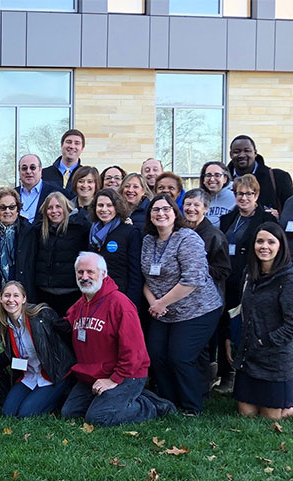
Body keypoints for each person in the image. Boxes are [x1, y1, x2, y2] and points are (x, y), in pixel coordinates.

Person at [61, 252, 174, 426]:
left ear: (103, 274)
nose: (84, 277)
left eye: (90, 272)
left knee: (98, 418)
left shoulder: (120, 304)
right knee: (69, 412)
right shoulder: (82, 302)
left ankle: (151, 405)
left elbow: (135, 352)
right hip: (92, 374)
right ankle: (122, 398)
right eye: (80, 272)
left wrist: (114, 379)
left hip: (127, 374)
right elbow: (65, 323)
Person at [140, 194, 223, 416]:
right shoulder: (148, 240)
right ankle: (169, 401)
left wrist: (161, 303)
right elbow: (146, 278)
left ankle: (191, 405)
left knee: (180, 356)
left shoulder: (188, 238)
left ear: (175, 213)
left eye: (166, 209)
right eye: (155, 210)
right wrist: (155, 304)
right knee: (156, 354)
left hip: (198, 309)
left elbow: (193, 280)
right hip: (163, 310)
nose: (161, 213)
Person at [215, 174, 275, 394]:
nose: (243, 198)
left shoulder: (265, 219)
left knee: (246, 325)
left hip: (251, 278)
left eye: (248, 193)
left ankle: (247, 375)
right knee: (225, 326)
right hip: (227, 280)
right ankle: (225, 375)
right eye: (239, 193)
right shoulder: (228, 218)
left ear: (256, 195)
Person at [233, 222, 293, 419]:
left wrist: (265, 340)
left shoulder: (288, 279)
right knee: (246, 413)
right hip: (249, 355)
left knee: (271, 416)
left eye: (271, 242)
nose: (264, 246)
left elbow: (291, 325)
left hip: (275, 357)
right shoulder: (249, 274)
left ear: (280, 246)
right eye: (259, 241)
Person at [0, 280, 74, 417]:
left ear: (24, 299)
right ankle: (38, 397)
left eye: (16, 295)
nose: (11, 300)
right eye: (7, 295)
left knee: (25, 414)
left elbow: (67, 333)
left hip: (53, 375)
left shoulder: (41, 316)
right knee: (8, 412)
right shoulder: (5, 325)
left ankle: (60, 395)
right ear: (1, 299)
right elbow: (9, 355)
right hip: (29, 375)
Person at [35, 191, 88, 315]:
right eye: (50, 208)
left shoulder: (80, 228)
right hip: (44, 292)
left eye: (58, 206)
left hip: (71, 292)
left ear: (66, 207)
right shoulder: (38, 230)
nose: (54, 211)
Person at [0, 187, 36, 301]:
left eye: (11, 207)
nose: (7, 211)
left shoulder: (30, 232)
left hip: (20, 297)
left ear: (18, 209)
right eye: (2, 207)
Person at [87, 188, 142, 304]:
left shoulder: (130, 232)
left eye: (109, 205)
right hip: (95, 295)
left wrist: (131, 303)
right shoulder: (92, 232)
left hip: (120, 297)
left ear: (117, 207)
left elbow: (135, 274)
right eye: (100, 205)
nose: (104, 209)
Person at [227, 135, 292, 212]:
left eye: (247, 150)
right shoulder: (222, 182)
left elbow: (290, 211)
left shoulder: (278, 177)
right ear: (230, 154)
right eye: (237, 152)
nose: (242, 155)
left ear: (255, 153)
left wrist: (279, 218)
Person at [16, 154, 65, 223]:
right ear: (19, 171)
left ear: (40, 170)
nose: (28, 171)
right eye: (24, 168)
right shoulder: (13, 194)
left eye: (33, 168)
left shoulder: (56, 193)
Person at [41, 129, 85, 198]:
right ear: (62, 145)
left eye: (77, 143)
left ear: (82, 148)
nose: (72, 146)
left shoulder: (85, 176)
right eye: (69, 142)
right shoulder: (44, 174)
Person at [200, 161, 235, 226]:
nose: (212, 179)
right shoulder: (198, 199)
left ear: (225, 179)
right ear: (203, 179)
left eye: (217, 175)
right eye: (208, 175)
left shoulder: (235, 198)